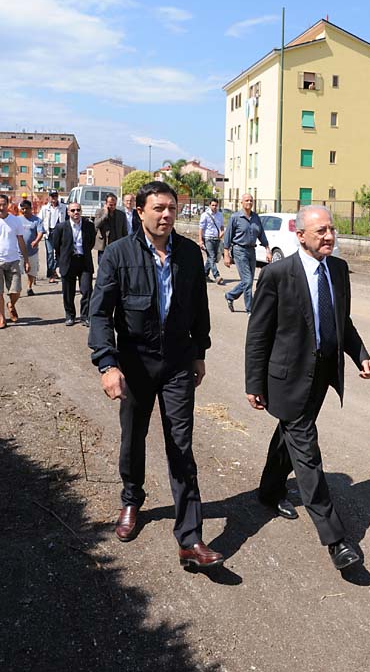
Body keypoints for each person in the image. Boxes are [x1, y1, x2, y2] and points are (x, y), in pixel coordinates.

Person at [88, 181, 223, 570]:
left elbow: (199, 308)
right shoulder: (118, 254)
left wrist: (199, 353)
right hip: (134, 363)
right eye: (159, 208)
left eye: (172, 208)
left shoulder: (189, 255)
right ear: (140, 211)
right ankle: (132, 498)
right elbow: (99, 314)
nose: (166, 215)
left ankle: (190, 537)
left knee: (181, 444)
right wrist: (108, 364)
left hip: (178, 363)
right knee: (134, 436)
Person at [245, 205, 370, 570]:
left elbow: (341, 319)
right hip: (287, 375)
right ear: (300, 235)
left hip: (323, 372)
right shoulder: (277, 274)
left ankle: (269, 491)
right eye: (320, 231)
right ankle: (335, 539)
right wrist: (254, 381)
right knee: (307, 451)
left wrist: (359, 353)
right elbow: (258, 333)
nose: (329, 236)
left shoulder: (338, 270)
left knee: (289, 432)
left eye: (331, 229)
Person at [223, 193, 271, 313]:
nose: (249, 203)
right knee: (248, 281)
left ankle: (230, 295)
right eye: (247, 200)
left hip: (251, 251)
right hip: (239, 250)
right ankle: (250, 309)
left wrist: (267, 249)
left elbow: (261, 234)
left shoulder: (256, 217)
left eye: (251, 200)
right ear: (241, 202)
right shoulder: (235, 217)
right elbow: (227, 236)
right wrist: (226, 254)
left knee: (247, 281)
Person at [53, 202, 96, 326]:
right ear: (68, 212)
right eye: (73, 210)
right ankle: (70, 316)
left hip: (84, 261)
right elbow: (57, 245)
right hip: (68, 262)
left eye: (78, 210)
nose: (76, 212)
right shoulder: (61, 227)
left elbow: (91, 242)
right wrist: (61, 261)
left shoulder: (88, 226)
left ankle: (85, 316)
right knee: (68, 291)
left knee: (87, 290)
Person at [0, 193, 30, 327]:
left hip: (13, 260)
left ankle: (11, 304)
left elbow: (21, 240)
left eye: (3, 204)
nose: (1, 207)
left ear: (8, 205)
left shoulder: (15, 220)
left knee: (16, 290)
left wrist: (27, 260)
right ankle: (1, 318)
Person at [39, 190, 67, 282]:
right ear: (49, 197)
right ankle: (51, 273)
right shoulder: (45, 208)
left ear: (57, 196)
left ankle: (55, 270)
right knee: (50, 253)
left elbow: (67, 219)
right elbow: (40, 220)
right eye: (52, 196)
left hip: (60, 233)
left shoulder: (63, 207)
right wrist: (40, 231)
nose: (53, 198)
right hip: (49, 232)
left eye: (55, 196)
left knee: (60, 253)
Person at [18, 200, 44, 295]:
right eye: (22, 208)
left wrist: (36, 241)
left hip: (32, 252)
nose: (24, 210)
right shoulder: (18, 220)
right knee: (17, 273)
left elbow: (40, 232)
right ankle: (17, 289)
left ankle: (29, 287)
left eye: (26, 208)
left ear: (31, 208)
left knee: (31, 272)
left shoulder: (37, 220)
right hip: (18, 252)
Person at [95, 193, 128, 264]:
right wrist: (105, 215)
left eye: (114, 204)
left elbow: (124, 231)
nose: (112, 206)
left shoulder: (121, 214)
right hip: (104, 245)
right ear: (106, 203)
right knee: (102, 265)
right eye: (110, 204)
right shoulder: (100, 212)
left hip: (116, 244)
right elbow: (96, 225)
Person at [198, 198, 225, 285]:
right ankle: (217, 276)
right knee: (212, 257)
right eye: (212, 205)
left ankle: (204, 275)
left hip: (216, 239)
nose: (214, 207)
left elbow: (221, 226)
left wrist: (222, 232)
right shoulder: (205, 215)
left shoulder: (220, 215)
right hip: (208, 238)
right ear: (209, 205)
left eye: (216, 205)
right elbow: (201, 229)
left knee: (212, 258)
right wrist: (200, 241)